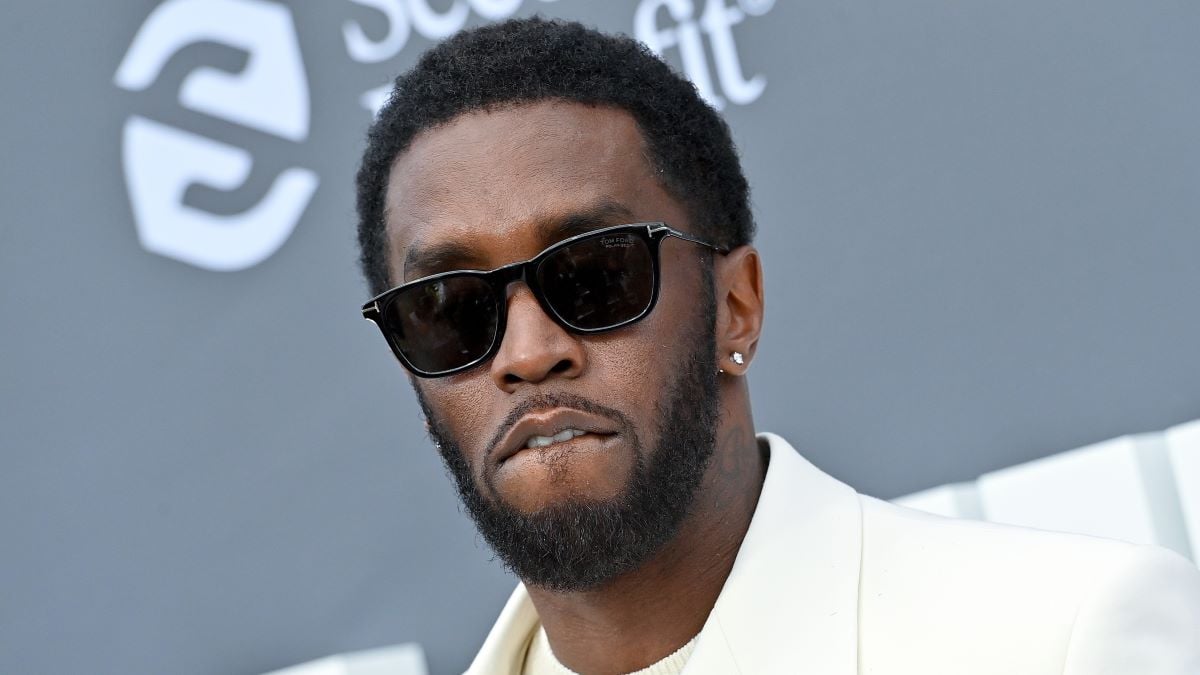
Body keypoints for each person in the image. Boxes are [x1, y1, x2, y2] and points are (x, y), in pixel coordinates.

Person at [354, 17, 1200, 675]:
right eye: (451, 309)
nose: (529, 351)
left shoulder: (1062, 637)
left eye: (595, 275)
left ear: (736, 305)